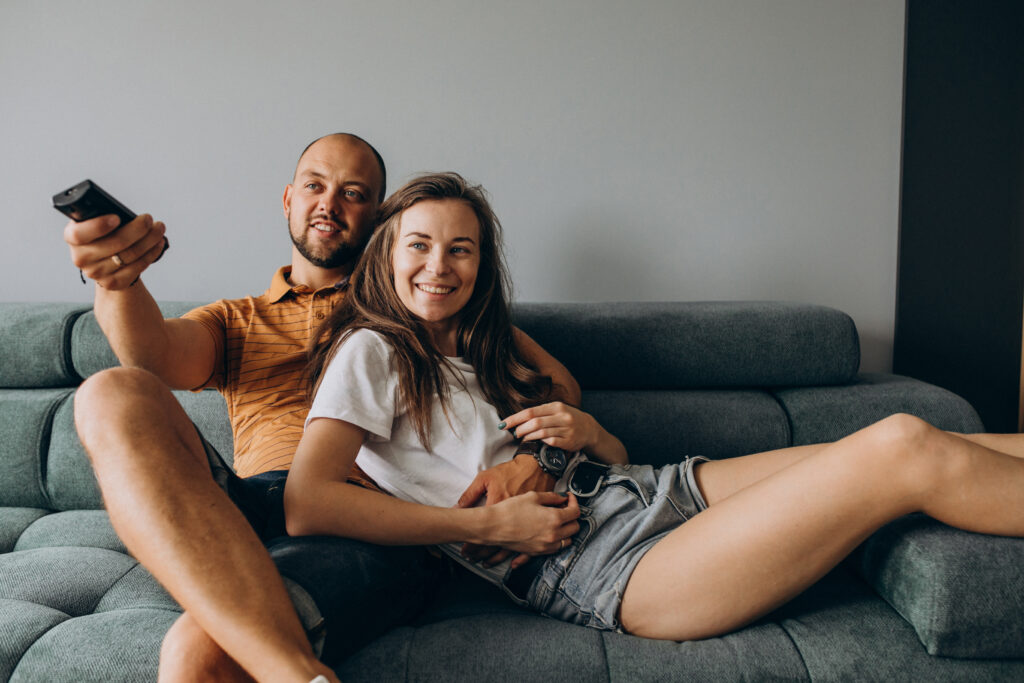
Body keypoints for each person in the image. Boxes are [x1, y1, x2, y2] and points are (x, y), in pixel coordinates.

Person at [286, 170, 1024, 645]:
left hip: (649, 486)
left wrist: (587, 430)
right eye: (418, 246)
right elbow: (307, 502)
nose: (438, 267)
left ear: (483, 266)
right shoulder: (373, 352)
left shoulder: (479, 347)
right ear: (385, 253)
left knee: (917, 433)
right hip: (606, 564)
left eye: (461, 250)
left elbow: (569, 399)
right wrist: (477, 523)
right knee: (900, 446)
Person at [64, 136, 580, 682]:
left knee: (198, 658)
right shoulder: (236, 320)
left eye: (353, 193)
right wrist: (116, 280)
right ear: (288, 199)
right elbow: (149, 358)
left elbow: (555, 386)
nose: (329, 204)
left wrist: (531, 461)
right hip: (245, 509)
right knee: (109, 392)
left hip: (364, 522)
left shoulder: (418, 299)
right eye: (315, 185)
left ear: (381, 219)